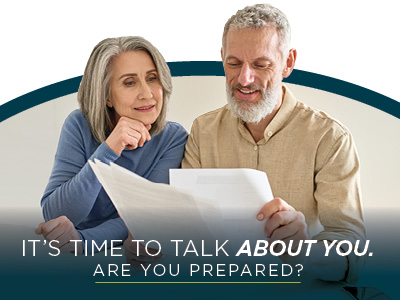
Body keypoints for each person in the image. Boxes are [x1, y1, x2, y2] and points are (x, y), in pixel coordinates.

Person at [182, 4, 366, 283]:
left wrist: (303, 252)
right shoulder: (203, 131)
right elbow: (184, 226)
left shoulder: (330, 138)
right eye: (234, 63)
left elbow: (353, 253)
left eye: (261, 64)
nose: (245, 79)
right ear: (222, 59)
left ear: (288, 62)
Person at [35, 36, 187, 254]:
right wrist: (107, 151)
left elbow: (145, 218)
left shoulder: (173, 138)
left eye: (152, 78)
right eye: (130, 82)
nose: (147, 94)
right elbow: (56, 214)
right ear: (107, 96)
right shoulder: (79, 125)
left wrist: (83, 240)